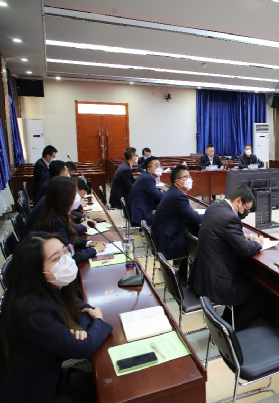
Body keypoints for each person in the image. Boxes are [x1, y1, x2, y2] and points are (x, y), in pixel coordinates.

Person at [0, 232, 113, 403]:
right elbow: (85, 347)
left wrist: (76, 328)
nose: (66, 260)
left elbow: (80, 306)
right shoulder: (31, 313)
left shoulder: (50, 287)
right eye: (56, 258)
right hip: (32, 393)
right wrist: (98, 319)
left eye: (65, 251)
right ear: (35, 270)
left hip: (48, 376)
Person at [189, 185, 264, 331]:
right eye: (247, 209)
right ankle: (229, 331)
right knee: (257, 295)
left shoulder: (214, 208)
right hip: (217, 281)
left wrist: (242, 236)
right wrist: (258, 243)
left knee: (245, 282)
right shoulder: (231, 218)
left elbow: (220, 231)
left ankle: (227, 320)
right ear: (238, 201)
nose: (246, 213)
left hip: (202, 275)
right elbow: (245, 249)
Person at [35, 176, 106, 263]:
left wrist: (89, 243)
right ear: (64, 197)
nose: (77, 196)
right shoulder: (55, 221)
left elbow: (68, 239)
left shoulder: (60, 213)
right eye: (74, 193)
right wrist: (95, 250)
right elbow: (70, 258)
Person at [152, 165, 202, 279]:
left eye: (189, 176)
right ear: (177, 181)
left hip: (164, 236)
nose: (190, 179)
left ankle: (184, 274)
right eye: (186, 177)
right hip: (168, 242)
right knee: (202, 243)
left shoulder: (174, 192)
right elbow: (195, 219)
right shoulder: (178, 196)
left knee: (195, 235)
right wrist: (211, 212)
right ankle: (191, 278)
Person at [127, 156, 165, 226]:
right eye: (157, 166)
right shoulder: (148, 178)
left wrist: (160, 191)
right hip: (140, 212)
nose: (159, 168)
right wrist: (167, 194)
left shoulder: (146, 175)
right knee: (167, 219)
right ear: (149, 169)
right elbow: (159, 196)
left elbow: (153, 190)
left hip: (137, 208)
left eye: (160, 166)